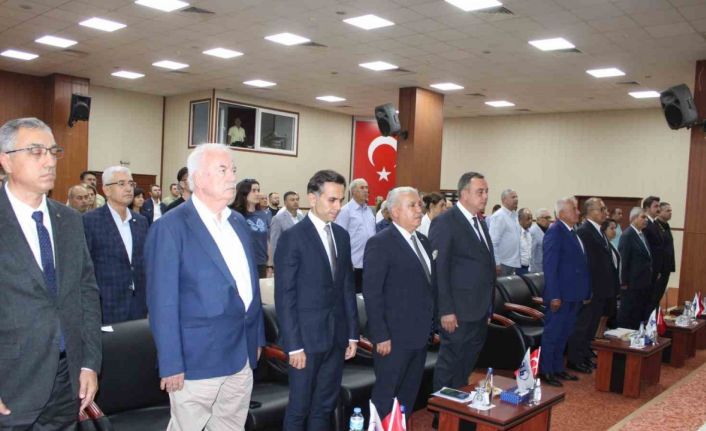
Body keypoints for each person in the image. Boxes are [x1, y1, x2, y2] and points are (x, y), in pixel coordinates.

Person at [145, 143, 265, 431]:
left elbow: (250, 286)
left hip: (241, 353)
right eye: (222, 170)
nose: (232, 177)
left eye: (233, 170)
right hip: (196, 359)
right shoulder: (171, 227)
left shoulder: (238, 223)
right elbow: (162, 303)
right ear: (197, 178)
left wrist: (257, 337)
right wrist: (171, 362)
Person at [0, 117, 101, 429]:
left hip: (67, 380)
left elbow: (86, 293)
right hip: (10, 381)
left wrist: (89, 363)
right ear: (5, 160)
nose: (49, 161)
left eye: (52, 151)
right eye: (35, 151)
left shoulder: (69, 220)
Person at [274, 170, 359, 430]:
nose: (338, 206)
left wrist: (352, 334)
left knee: (324, 406)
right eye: (332, 200)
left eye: (341, 200)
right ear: (312, 198)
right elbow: (285, 296)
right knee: (299, 408)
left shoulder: (341, 236)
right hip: (305, 341)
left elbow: (347, 287)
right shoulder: (293, 237)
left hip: (336, 338)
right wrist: (293, 346)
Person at [364, 187, 436, 419]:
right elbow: (372, 293)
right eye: (412, 205)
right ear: (394, 212)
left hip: (419, 335)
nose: (419, 210)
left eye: (419, 205)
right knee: (386, 398)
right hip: (393, 338)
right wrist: (380, 335)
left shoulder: (423, 241)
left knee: (407, 398)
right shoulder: (380, 243)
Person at [430, 172, 495, 397]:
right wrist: (445, 310)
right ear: (464, 194)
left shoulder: (480, 222)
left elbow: (486, 266)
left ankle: (456, 405)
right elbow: (440, 270)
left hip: (478, 309)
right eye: (480, 192)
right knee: (450, 362)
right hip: (456, 311)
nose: (485, 196)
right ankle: (441, 408)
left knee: (466, 363)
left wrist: (488, 307)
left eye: (486, 191)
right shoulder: (446, 222)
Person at [83, 166, 149, 325]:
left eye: (131, 183)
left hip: (139, 307)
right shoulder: (90, 221)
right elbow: (84, 268)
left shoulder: (141, 221)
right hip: (106, 307)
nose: (128, 188)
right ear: (106, 190)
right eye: (121, 184)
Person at [538, 197, 590, 388]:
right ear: (561, 214)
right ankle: (546, 370)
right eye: (573, 209)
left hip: (573, 294)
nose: (578, 212)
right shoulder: (555, 232)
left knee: (564, 333)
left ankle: (558, 367)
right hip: (560, 295)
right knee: (553, 334)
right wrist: (554, 295)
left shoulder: (572, 231)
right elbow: (550, 267)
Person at [567, 198, 614, 374]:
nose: (605, 212)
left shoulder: (599, 230)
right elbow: (584, 264)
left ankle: (585, 354)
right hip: (590, 288)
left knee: (592, 325)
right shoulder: (585, 231)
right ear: (590, 212)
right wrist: (587, 289)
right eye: (601, 209)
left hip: (600, 288)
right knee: (582, 326)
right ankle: (575, 359)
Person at [335, 178, 375, 293]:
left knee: (366, 295)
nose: (366, 190)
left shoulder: (369, 211)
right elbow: (339, 239)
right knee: (353, 296)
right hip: (353, 264)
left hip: (369, 263)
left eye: (367, 188)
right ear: (353, 191)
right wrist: (345, 261)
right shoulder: (345, 211)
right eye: (362, 188)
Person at [618, 207, 653, 329]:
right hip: (631, 284)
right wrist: (624, 282)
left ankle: (635, 334)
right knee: (628, 314)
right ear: (633, 218)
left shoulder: (641, 235)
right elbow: (623, 260)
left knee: (638, 314)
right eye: (643, 217)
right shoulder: (627, 235)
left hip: (642, 283)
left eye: (646, 218)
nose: (646, 220)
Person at [232, 179, 271, 278]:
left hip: (261, 263)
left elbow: (266, 240)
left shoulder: (262, 214)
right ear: (244, 193)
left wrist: (269, 265)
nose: (257, 194)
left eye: (258, 190)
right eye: (253, 190)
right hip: (242, 263)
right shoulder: (235, 214)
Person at [487, 189, 521, 275]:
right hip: (502, 264)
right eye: (513, 197)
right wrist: (497, 263)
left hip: (513, 263)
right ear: (504, 200)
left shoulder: (515, 215)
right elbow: (493, 242)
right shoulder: (499, 216)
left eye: (516, 197)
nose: (516, 199)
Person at [269, 191, 304, 267]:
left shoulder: (302, 218)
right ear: (285, 203)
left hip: (301, 260)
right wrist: (272, 264)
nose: (295, 202)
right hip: (285, 260)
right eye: (292, 200)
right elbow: (274, 243)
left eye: (297, 199)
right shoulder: (278, 219)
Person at [642, 196, 665, 311]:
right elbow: (647, 248)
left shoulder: (655, 223)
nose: (658, 209)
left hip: (656, 268)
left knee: (653, 299)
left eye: (659, 206)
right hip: (649, 269)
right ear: (647, 208)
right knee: (646, 300)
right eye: (655, 206)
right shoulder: (645, 224)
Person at [602, 218, 621, 328]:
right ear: (603, 230)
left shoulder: (612, 244)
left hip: (613, 288)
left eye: (615, 228)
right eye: (612, 228)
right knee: (604, 316)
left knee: (611, 315)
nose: (614, 231)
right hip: (605, 288)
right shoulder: (602, 245)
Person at [655, 202, 675, 307]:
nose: (670, 213)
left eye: (671, 211)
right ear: (659, 212)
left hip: (666, 267)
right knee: (654, 296)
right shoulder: (655, 226)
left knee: (659, 295)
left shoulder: (666, 226)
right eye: (668, 211)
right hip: (659, 269)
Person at [529, 208, 551, 273]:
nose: (548, 220)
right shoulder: (532, 231)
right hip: (536, 268)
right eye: (546, 218)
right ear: (538, 219)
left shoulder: (550, 230)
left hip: (547, 266)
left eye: (549, 218)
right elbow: (531, 253)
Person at [517, 208, 533, 276]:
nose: (530, 221)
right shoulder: (516, 233)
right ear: (520, 220)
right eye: (528, 219)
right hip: (518, 268)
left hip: (528, 267)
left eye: (531, 218)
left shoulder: (529, 233)